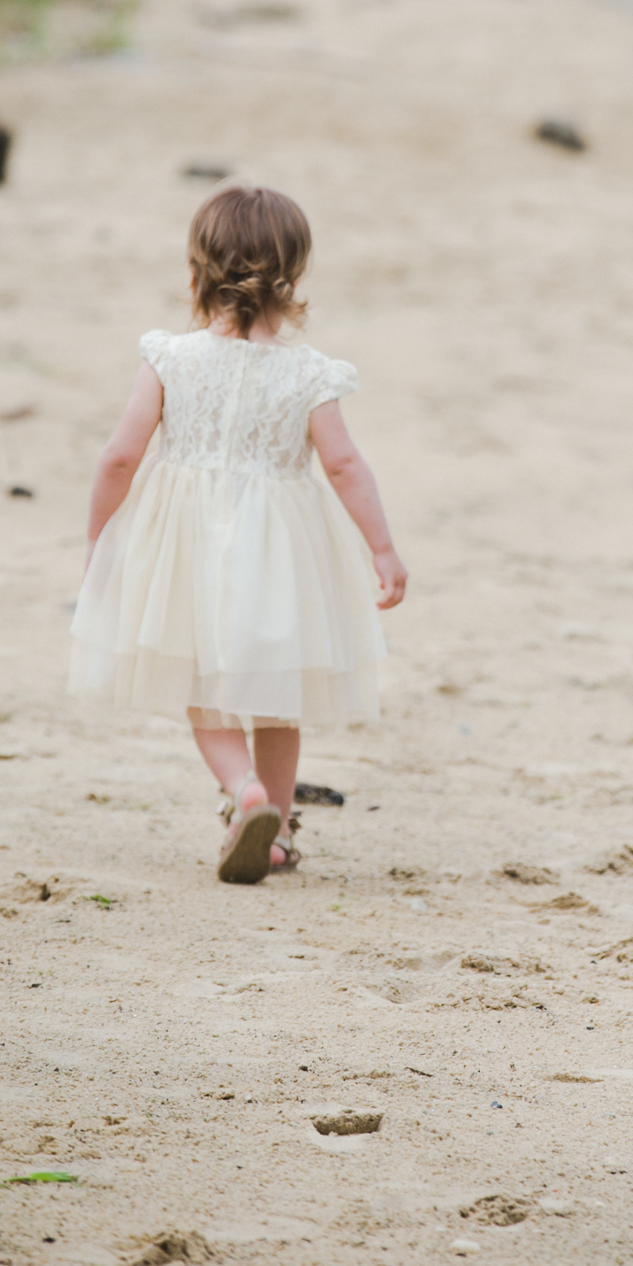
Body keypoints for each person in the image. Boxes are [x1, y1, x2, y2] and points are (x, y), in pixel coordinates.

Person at [70, 184, 407, 884]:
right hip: (281, 554)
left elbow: (120, 457)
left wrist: (99, 538)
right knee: (279, 699)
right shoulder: (309, 374)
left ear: (197, 274)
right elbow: (344, 465)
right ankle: (276, 831)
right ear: (293, 279)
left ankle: (242, 793)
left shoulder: (169, 357)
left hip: (187, 549)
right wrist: (381, 547)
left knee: (205, 687)